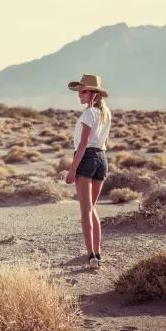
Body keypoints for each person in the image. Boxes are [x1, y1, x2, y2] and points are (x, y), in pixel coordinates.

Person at [65, 74, 112, 269]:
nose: (80, 95)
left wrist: (72, 170)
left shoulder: (89, 113)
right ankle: (97, 253)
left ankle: (91, 255)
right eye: (79, 92)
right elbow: (103, 142)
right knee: (92, 208)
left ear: (94, 93)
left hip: (86, 160)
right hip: (102, 159)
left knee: (85, 210)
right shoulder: (106, 113)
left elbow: (83, 144)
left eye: (83, 91)